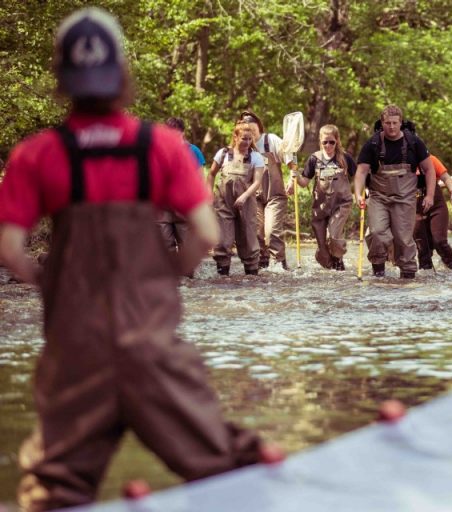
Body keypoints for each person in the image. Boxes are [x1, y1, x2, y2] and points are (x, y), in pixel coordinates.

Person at [0, 9, 268, 510]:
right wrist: (155, 279)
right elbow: (207, 233)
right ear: (122, 77)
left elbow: (9, 248)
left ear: (63, 83)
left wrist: (53, 285)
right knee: (225, 467)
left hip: (76, 356)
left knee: (52, 488)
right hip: (152, 352)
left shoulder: (38, 154)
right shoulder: (159, 147)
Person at [353, 105, 437, 278]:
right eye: (387, 123)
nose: (391, 127)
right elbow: (361, 172)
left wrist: (429, 195)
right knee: (377, 232)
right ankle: (379, 269)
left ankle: (407, 274)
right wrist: (357, 194)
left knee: (403, 238)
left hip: (405, 198)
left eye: (395, 123)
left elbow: (429, 170)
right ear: (382, 123)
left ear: (401, 123)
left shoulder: (414, 143)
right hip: (379, 197)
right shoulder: (373, 144)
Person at [239, 111, 297, 270]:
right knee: (257, 233)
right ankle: (263, 267)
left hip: (275, 196)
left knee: (271, 233)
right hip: (254, 198)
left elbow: (290, 158)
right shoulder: (242, 146)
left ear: (258, 126)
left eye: (253, 129)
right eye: (247, 131)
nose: (251, 133)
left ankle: (280, 266)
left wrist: (292, 178)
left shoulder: (270, 140)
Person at [208, 122, 266, 276]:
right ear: (235, 137)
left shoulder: (255, 157)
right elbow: (211, 174)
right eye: (243, 139)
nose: (247, 142)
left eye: (249, 139)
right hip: (223, 202)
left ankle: (252, 277)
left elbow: (257, 182)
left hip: (246, 202)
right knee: (223, 240)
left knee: (248, 240)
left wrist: (244, 196)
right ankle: (223, 276)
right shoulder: (223, 154)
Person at [294, 124, 356, 271]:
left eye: (331, 142)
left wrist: (362, 192)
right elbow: (304, 183)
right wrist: (296, 175)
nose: (328, 145)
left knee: (334, 235)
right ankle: (330, 267)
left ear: (337, 141)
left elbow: (359, 176)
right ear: (320, 141)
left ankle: (338, 260)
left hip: (341, 204)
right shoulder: (314, 159)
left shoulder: (345, 158)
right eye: (325, 142)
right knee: (323, 248)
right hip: (320, 207)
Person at [156, 117, 205, 259]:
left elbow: (199, 178)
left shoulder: (193, 151)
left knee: (185, 242)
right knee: (164, 243)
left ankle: (188, 277)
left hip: (183, 205)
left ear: (182, 132)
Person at [414, 153, 452, 270]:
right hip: (415, 210)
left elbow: (446, 177)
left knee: (439, 241)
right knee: (422, 247)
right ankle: (427, 276)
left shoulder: (430, 159)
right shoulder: (401, 163)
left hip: (437, 207)